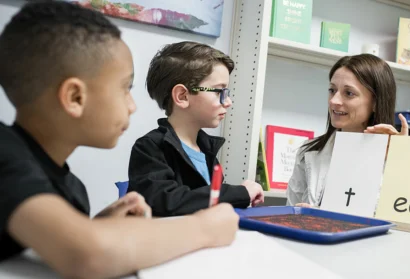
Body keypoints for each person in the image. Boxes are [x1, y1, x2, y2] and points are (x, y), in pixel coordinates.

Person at [0, 2, 238, 278]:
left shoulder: (69, 187)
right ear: (75, 98)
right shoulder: (5, 156)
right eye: (125, 88)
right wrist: (204, 228)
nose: (132, 106)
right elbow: (86, 255)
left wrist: (98, 225)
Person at [128, 41, 264, 217]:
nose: (228, 102)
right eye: (218, 92)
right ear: (182, 96)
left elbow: (208, 203)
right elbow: (167, 202)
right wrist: (240, 193)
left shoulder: (206, 149)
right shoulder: (150, 147)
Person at [286, 54, 409, 207]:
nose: (334, 101)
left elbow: (400, 221)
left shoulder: (395, 158)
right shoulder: (308, 151)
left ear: (376, 103)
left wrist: (402, 159)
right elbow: (290, 213)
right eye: (332, 90)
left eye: (349, 93)